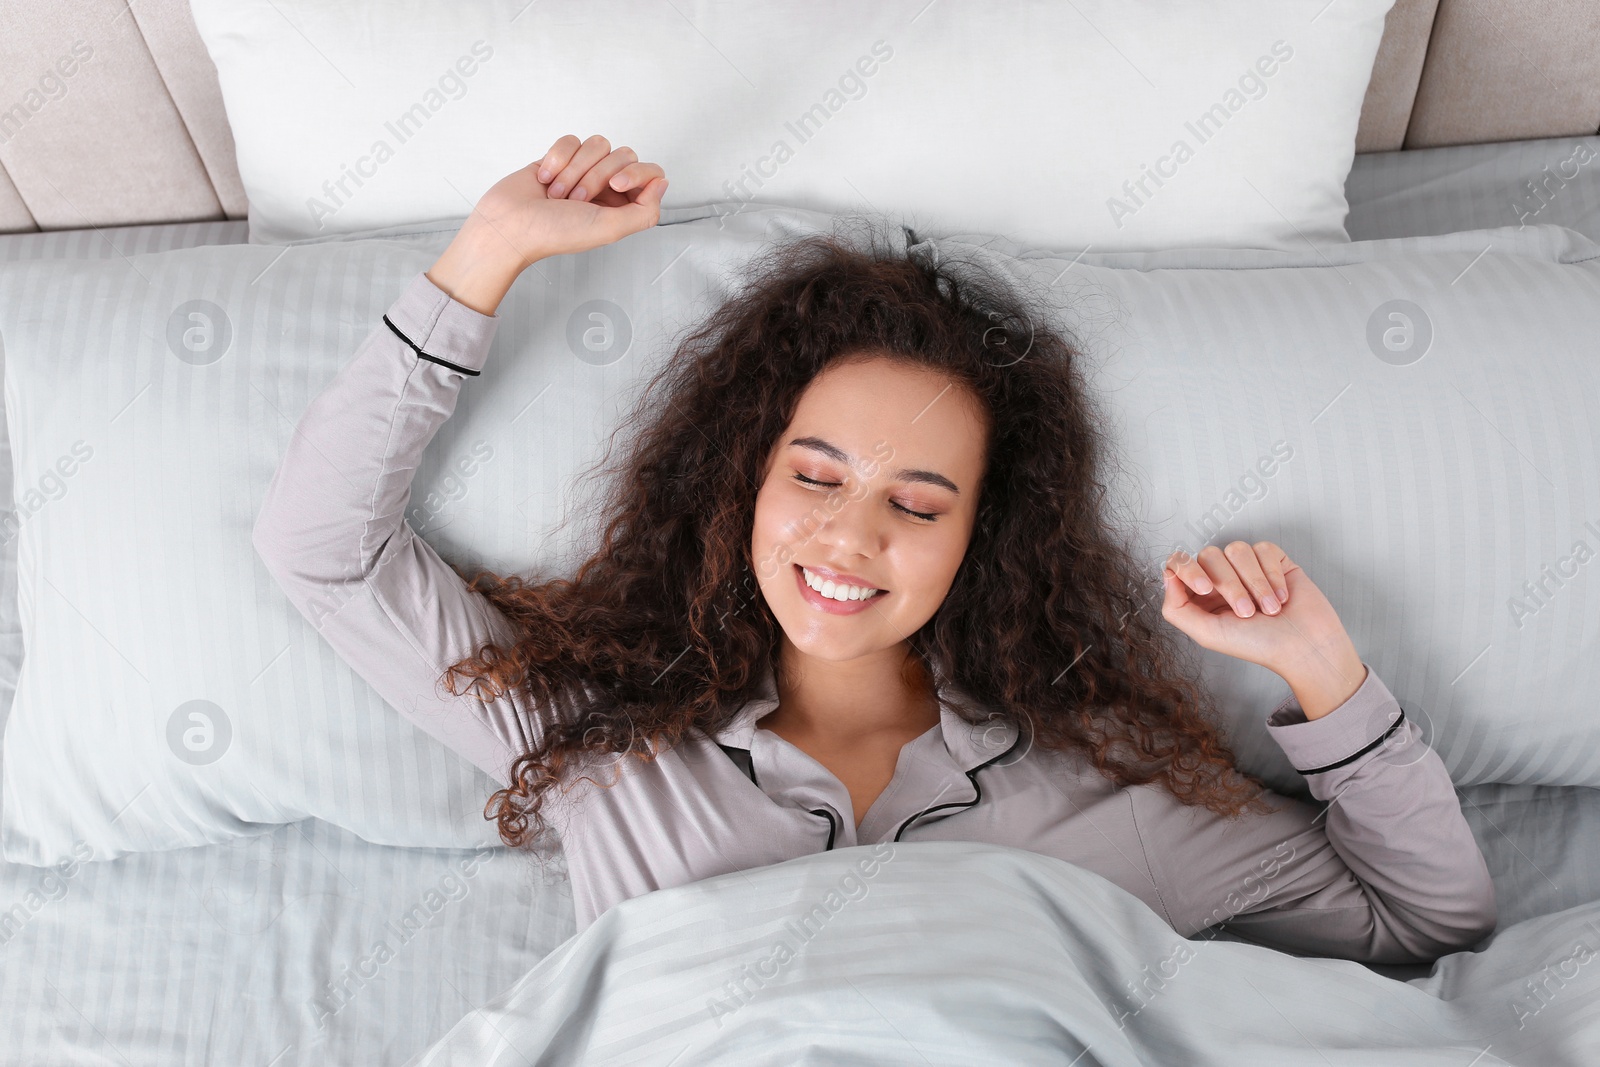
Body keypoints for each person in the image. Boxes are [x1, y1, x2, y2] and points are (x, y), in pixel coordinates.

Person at [253, 134, 1496, 964]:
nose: (848, 535)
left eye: (917, 501)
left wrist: (1322, 672)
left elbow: (1425, 917)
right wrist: (483, 259)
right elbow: (321, 548)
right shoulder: (608, 749)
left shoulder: (1102, 803)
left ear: (978, 538)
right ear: (741, 482)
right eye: (814, 477)